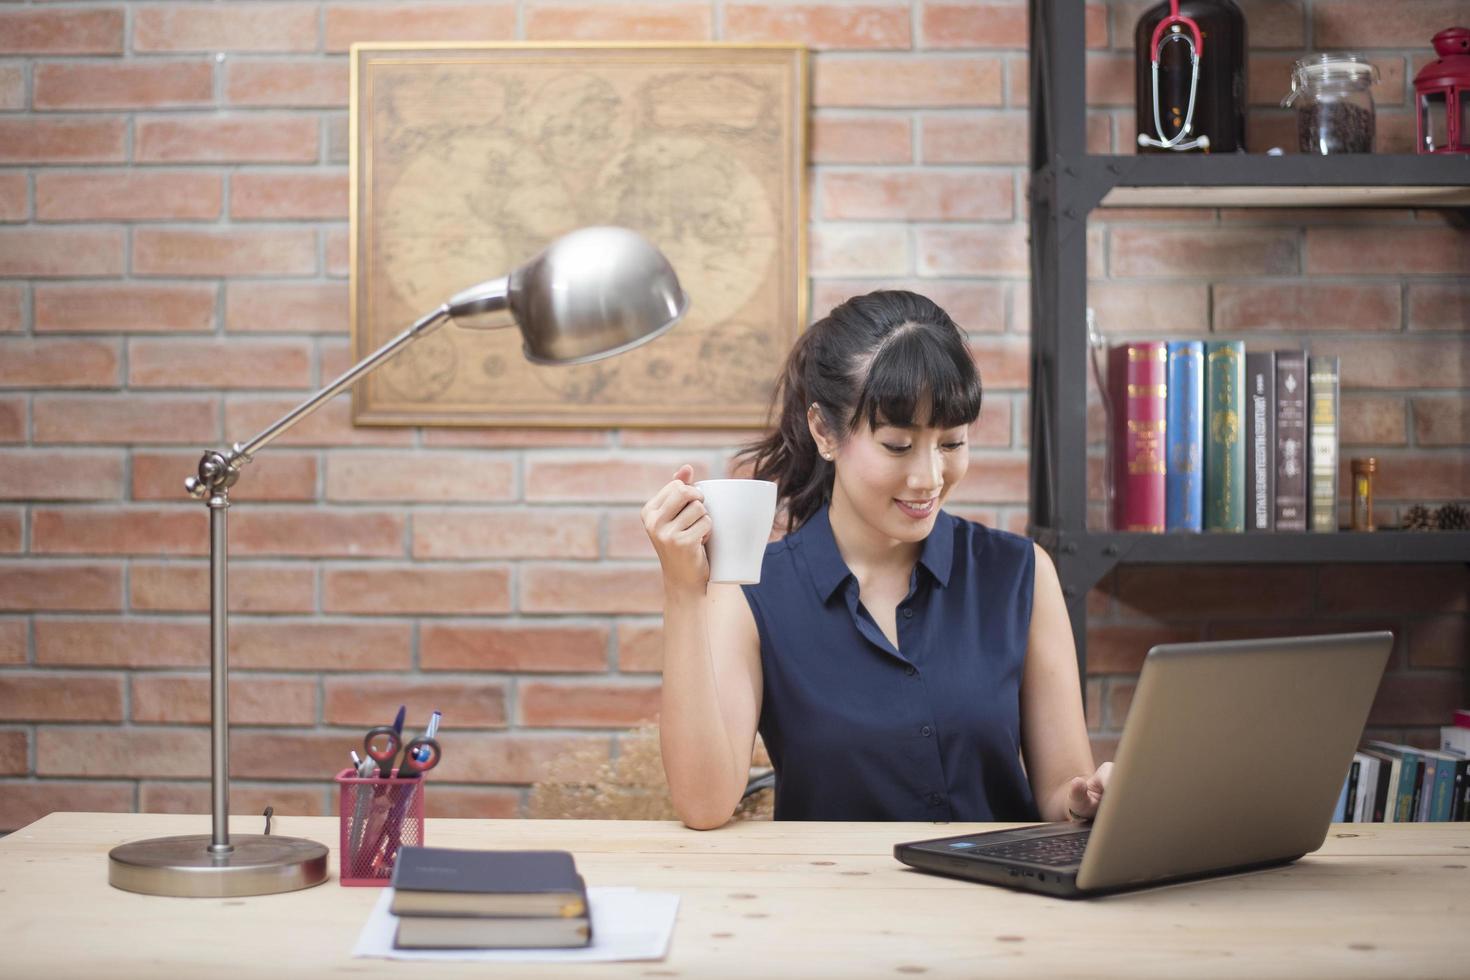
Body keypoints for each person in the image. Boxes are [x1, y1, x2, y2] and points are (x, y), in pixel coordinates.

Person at [642, 290, 1110, 830]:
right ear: (824, 432)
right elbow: (704, 805)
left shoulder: (1021, 575)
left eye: (951, 443)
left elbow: (1060, 793)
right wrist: (682, 590)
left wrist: (1084, 800)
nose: (929, 477)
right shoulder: (753, 595)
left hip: (998, 908)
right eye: (897, 445)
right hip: (832, 906)